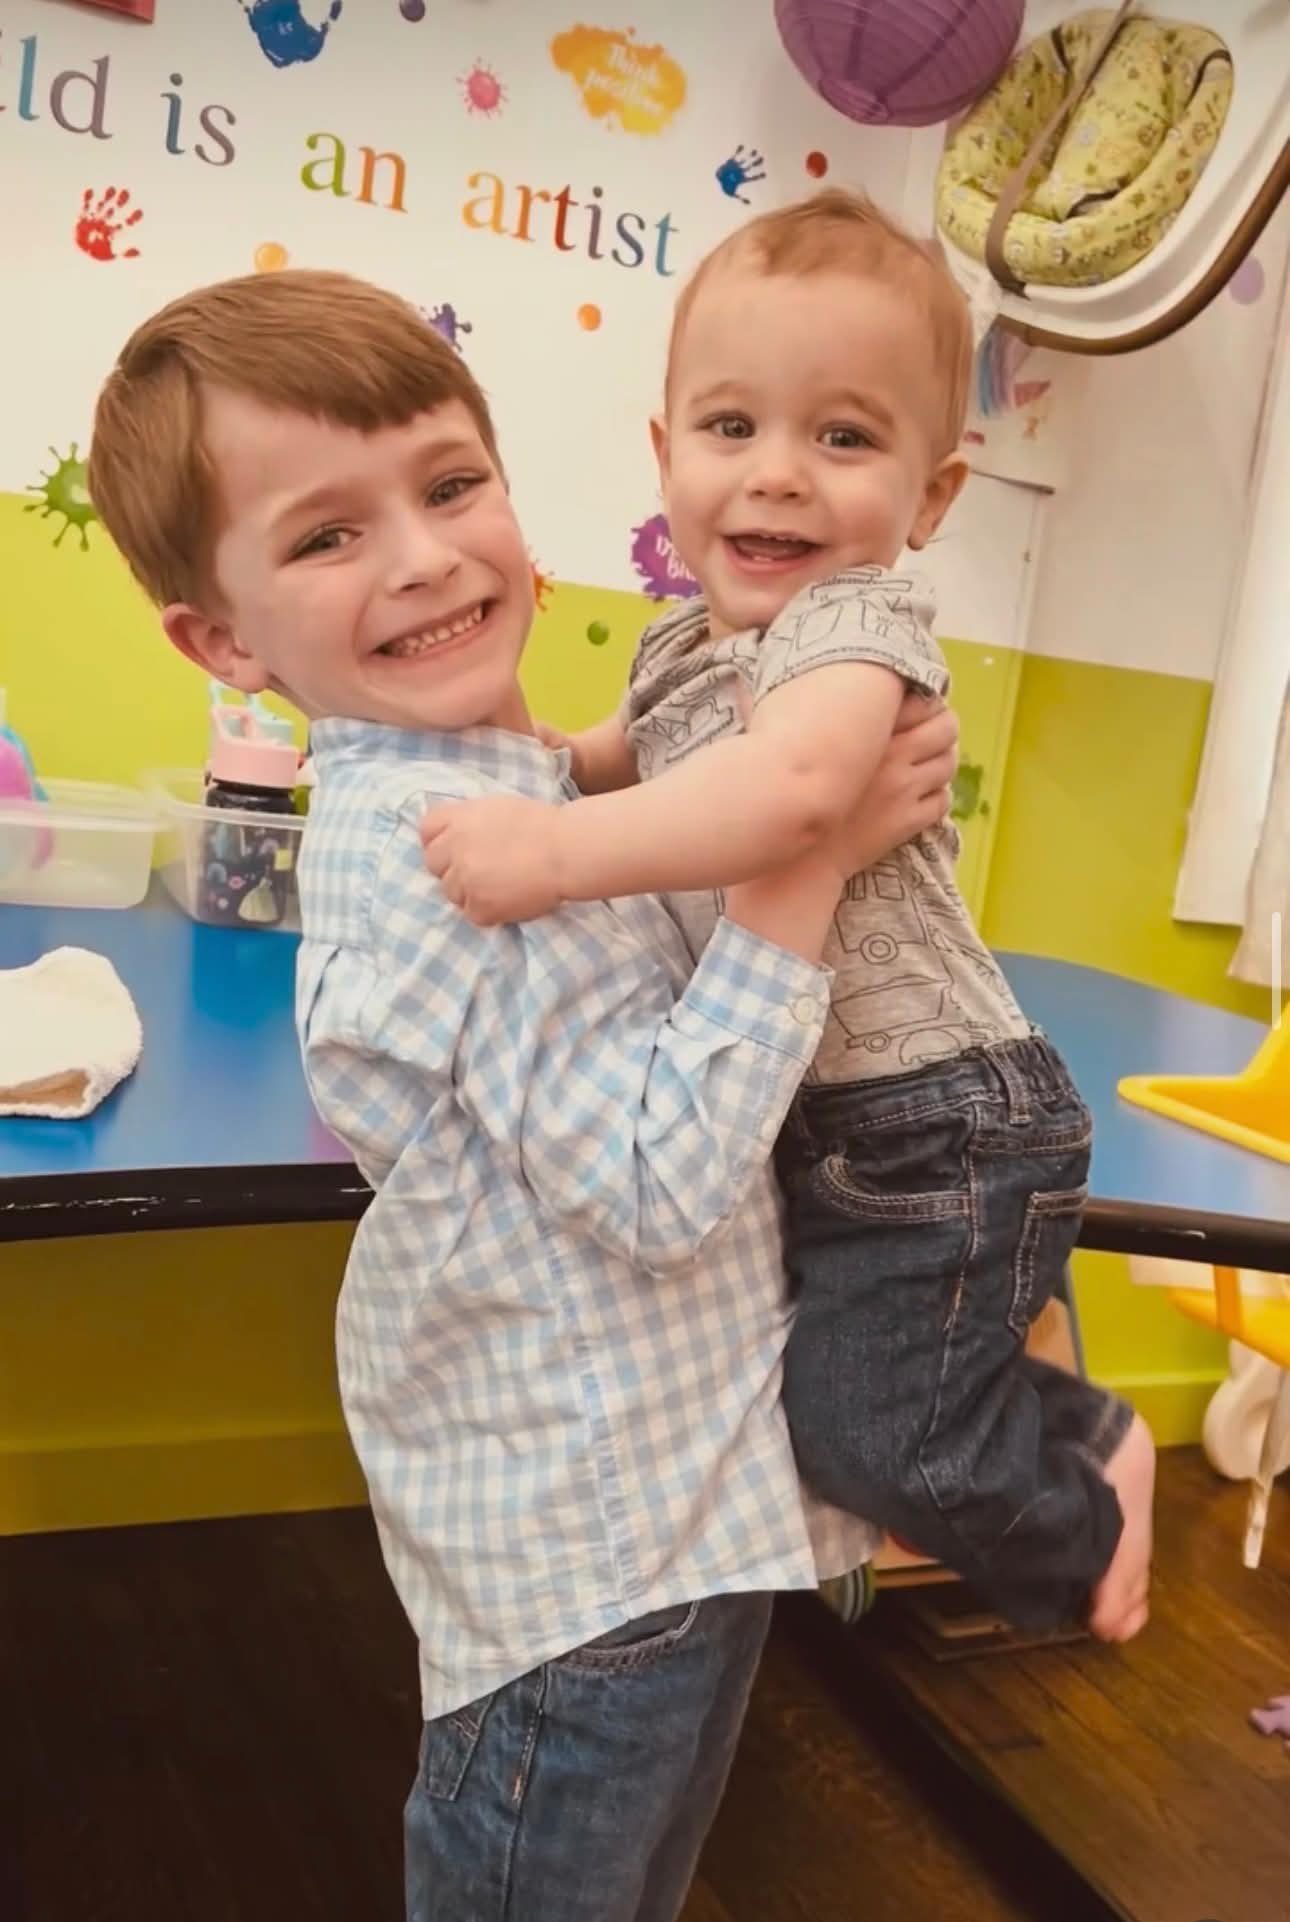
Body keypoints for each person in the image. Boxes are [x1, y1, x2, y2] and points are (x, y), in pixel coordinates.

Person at [86, 265, 960, 1922]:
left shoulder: (495, 781)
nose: (423, 557)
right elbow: (654, 1180)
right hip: (590, 1565)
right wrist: (806, 853)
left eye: (448, 483)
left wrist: (679, 752)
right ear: (221, 637)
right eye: (326, 536)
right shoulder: (434, 868)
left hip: (679, 1511)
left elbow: (565, 781)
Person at [420, 190, 1156, 1644]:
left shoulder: (852, 627)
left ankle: (1086, 1518)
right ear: (664, 451)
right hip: (835, 1123)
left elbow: (792, 793)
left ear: (928, 496)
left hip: (938, 1120)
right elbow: (604, 753)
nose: (776, 480)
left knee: (870, 1440)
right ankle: (1058, 1412)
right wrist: (494, 766)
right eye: (732, 427)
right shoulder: (687, 639)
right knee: (836, 1402)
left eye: (842, 437)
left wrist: (551, 852)